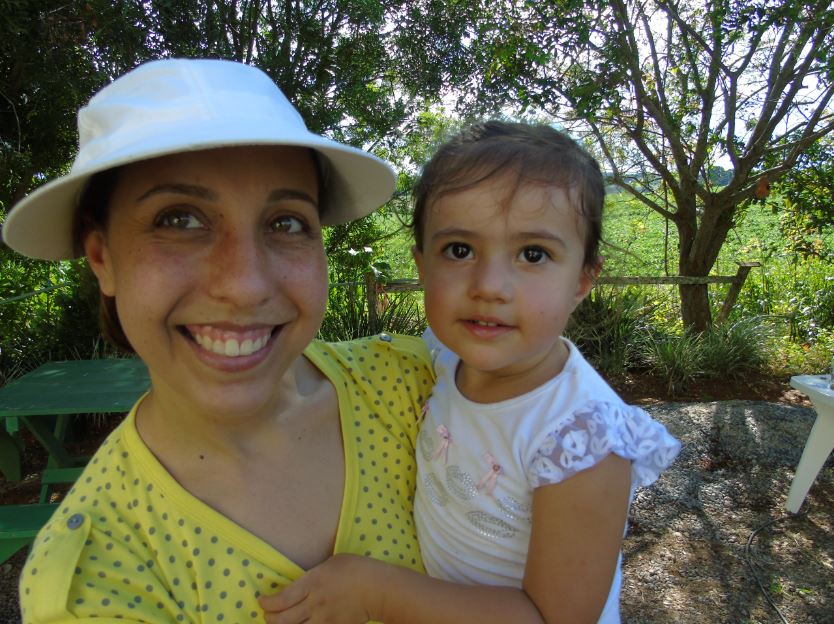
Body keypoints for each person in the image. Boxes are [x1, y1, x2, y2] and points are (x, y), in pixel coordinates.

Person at [3, 58, 435, 623]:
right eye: (179, 220)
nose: (245, 285)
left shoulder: (413, 389)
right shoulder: (99, 577)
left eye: (286, 223)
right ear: (102, 258)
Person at [259, 121, 682, 623]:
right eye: (459, 250)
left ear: (583, 280)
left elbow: (554, 619)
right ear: (422, 266)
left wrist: (378, 593)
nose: (489, 285)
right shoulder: (442, 356)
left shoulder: (580, 438)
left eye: (533, 254)